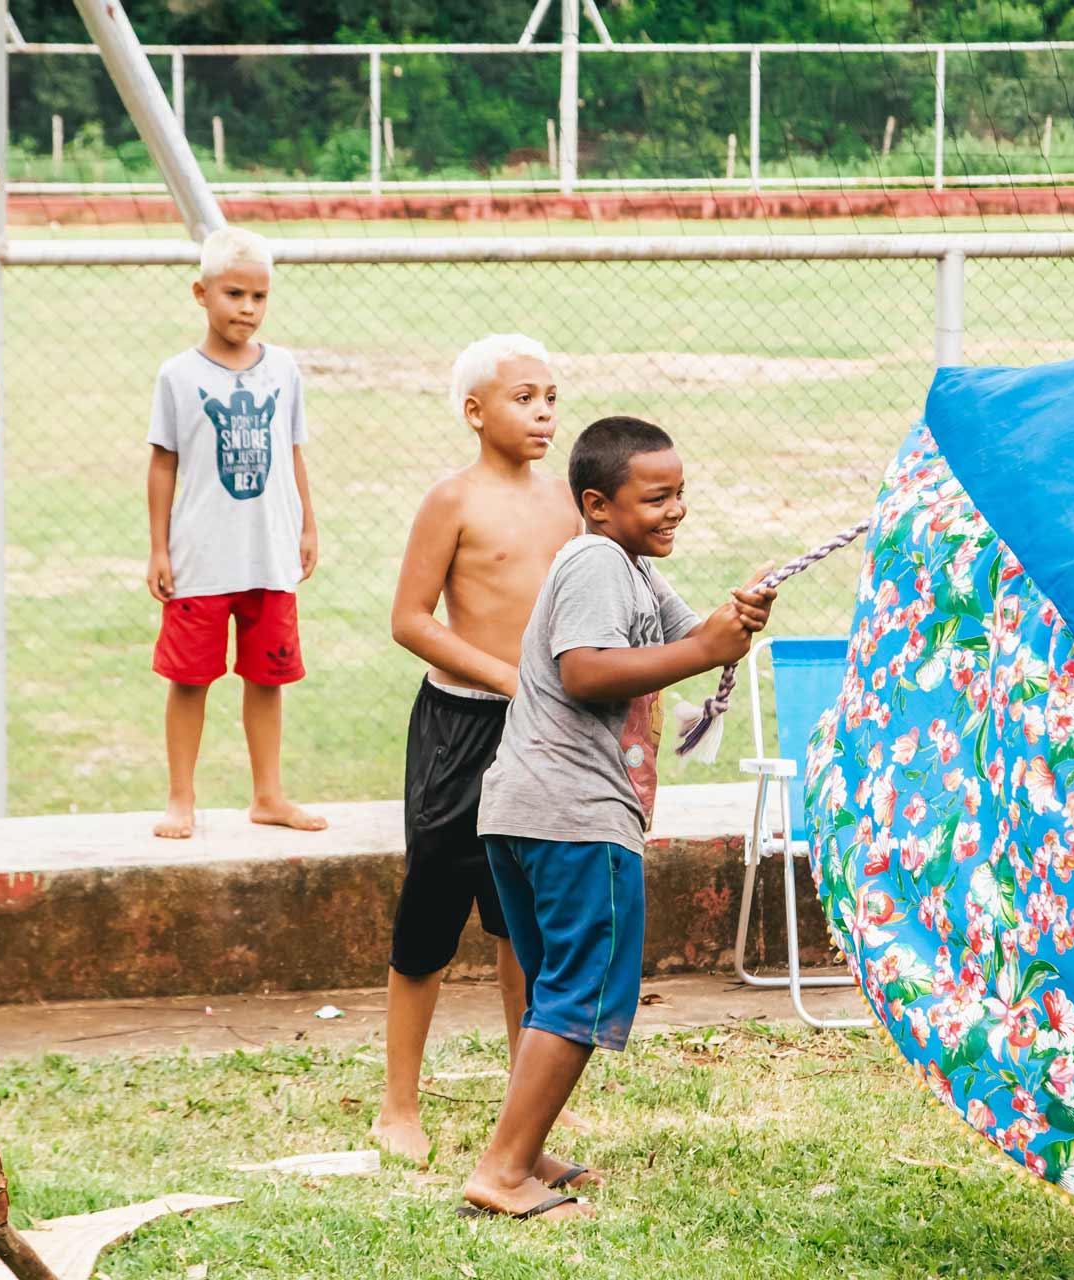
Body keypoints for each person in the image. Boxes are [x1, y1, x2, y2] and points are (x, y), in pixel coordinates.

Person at [460, 416, 775, 1221]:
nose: (676, 509)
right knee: (581, 994)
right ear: (598, 504)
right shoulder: (597, 560)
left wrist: (733, 623)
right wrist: (706, 651)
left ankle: (525, 1151)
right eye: (657, 497)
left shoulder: (629, 568)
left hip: (525, 810)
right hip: (575, 813)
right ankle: (502, 1173)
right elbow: (587, 672)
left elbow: (691, 640)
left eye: (680, 494)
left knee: (554, 992)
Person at [374, 335, 581, 1169]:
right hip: (460, 731)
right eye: (523, 398)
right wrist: (506, 676)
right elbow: (410, 620)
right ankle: (398, 1106)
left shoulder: (568, 502)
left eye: (551, 398)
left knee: (521, 923)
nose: (543, 413)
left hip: (543, 732)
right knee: (429, 913)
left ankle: (522, 1125)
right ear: (474, 412)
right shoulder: (452, 500)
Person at [144, 226, 325, 840]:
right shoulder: (177, 375)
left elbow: (293, 451)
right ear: (202, 294)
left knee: (268, 678)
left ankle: (269, 795)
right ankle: (180, 799)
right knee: (189, 679)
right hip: (199, 558)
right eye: (234, 294)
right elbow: (163, 463)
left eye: (259, 296)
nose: (247, 308)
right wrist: (159, 548)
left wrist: (306, 524)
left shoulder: (284, 369)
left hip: (268, 555)